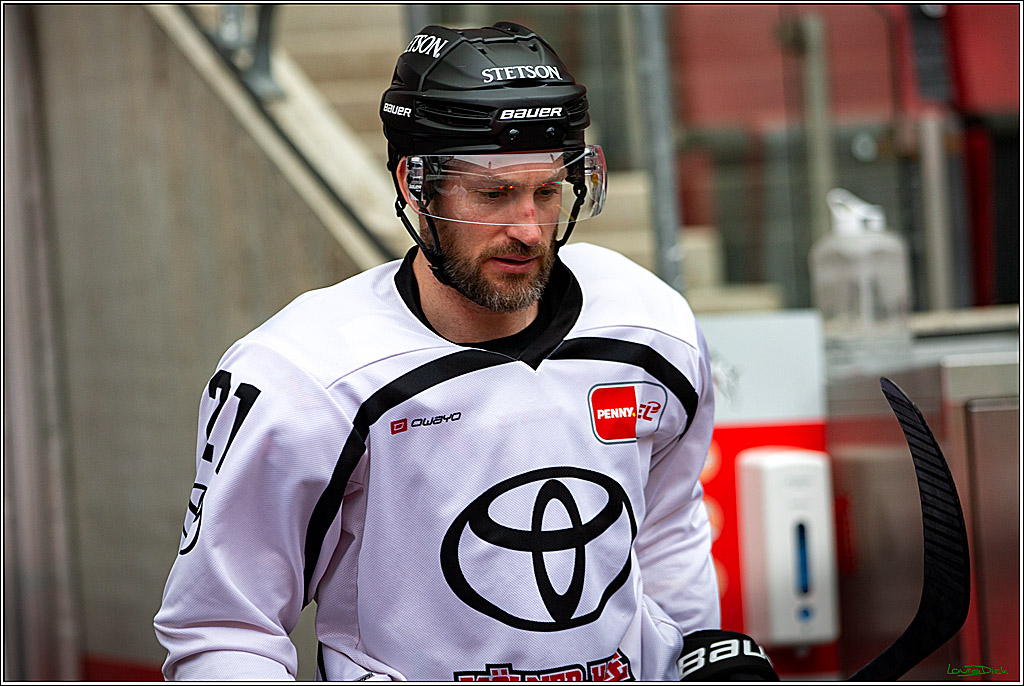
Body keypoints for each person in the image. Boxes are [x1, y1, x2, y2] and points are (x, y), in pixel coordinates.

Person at [155, 21, 721, 681]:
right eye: (493, 193)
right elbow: (225, 631)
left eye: (546, 191)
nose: (527, 228)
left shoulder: (648, 326)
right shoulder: (306, 374)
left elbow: (667, 529)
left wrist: (702, 654)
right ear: (414, 185)